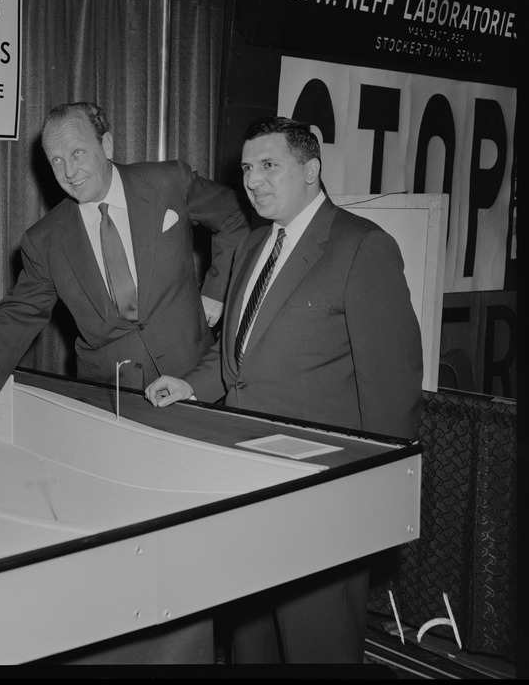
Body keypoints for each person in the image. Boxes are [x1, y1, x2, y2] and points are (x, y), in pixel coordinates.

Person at [0, 100, 248, 664]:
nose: (70, 170)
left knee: (199, 540)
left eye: (78, 152)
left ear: (106, 144)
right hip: (115, 404)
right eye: (56, 162)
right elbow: (17, 318)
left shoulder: (168, 181)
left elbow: (231, 218)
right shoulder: (45, 239)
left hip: (195, 386)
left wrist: (217, 294)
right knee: (128, 546)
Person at [145, 115, 423, 664]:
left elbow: (393, 393)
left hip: (325, 500)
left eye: (270, 165)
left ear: (312, 170)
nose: (253, 181)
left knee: (317, 650)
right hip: (253, 488)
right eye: (248, 169)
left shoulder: (362, 247)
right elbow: (235, 359)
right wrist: (190, 385)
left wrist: (372, 503)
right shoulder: (250, 246)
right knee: (254, 648)